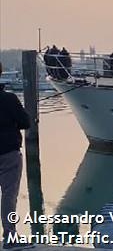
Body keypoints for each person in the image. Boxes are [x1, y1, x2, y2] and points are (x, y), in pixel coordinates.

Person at [0, 61, 30, 248]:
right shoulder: (9, 99)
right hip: (8, 153)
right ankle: (10, 237)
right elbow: (25, 122)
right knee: (9, 195)